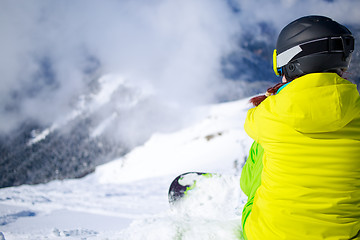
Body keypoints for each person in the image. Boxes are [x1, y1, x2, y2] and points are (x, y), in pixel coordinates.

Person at [240, 15, 360, 240]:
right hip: (346, 236)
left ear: (290, 65)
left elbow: (247, 182)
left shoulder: (268, 115)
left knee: (265, 144)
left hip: (266, 234)